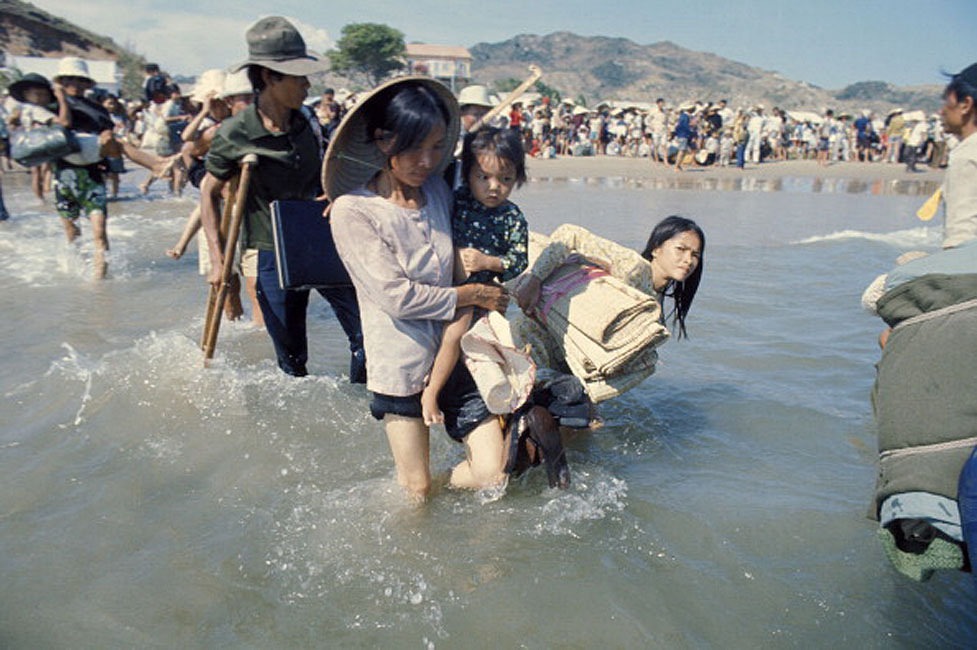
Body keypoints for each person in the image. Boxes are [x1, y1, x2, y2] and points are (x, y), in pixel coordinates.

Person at [327, 77, 510, 499]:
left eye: (436, 146)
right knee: (416, 490)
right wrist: (471, 296)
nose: (426, 161)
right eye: (413, 148)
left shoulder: (439, 191)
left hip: (457, 352)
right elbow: (397, 296)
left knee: (493, 473)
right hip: (401, 364)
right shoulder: (354, 211)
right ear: (382, 140)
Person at [200, 16, 365, 379]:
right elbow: (208, 191)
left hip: (320, 238)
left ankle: (367, 404)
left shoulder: (307, 119)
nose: (307, 84)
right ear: (269, 78)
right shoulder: (235, 132)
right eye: (298, 76)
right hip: (273, 251)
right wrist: (217, 259)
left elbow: (327, 171)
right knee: (291, 364)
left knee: (367, 339)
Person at [421, 126, 529, 428]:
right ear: (467, 173)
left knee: (461, 333)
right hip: (445, 283)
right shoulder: (456, 201)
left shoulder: (512, 217)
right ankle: (431, 391)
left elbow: (519, 260)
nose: (494, 187)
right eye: (484, 177)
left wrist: (489, 261)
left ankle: (440, 393)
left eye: (505, 179)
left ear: (517, 178)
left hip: (481, 288)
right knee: (450, 334)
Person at [50, 57, 116, 279]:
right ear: (60, 81)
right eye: (69, 79)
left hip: (92, 175)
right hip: (64, 176)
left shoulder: (98, 110)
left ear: (87, 83)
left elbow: (109, 135)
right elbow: (64, 123)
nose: (74, 84)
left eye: (79, 79)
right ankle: (77, 268)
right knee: (72, 231)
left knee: (99, 231)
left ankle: (99, 282)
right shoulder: (51, 105)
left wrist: (108, 137)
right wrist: (61, 98)